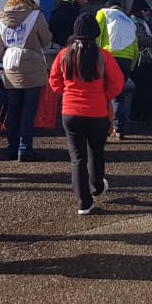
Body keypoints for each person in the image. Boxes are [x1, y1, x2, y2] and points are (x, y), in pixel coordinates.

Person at [48, 13, 124, 214]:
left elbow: (54, 81)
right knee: (96, 152)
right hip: (97, 112)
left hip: (70, 112)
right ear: (96, 34)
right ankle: (97, 186)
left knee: (77, 158)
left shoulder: (63, 54)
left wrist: (66, 93)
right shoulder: (104, 56)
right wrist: (104, 95)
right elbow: (118, 83)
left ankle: (83, 203)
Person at [0, 0, 52, 160]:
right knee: (29, 110)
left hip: (10, 66)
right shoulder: (35, 15)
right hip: (32, 65)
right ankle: (25, 148)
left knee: (13, 108)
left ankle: (11, 147)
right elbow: (47, 39)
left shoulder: (0, 18)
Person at [96, 0, 138, 140]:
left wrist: (94, 56)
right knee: (118, 95)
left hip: (108, 56)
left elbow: (97, 33)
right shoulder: (128, 20)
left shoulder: (104, 13)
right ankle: (118, 129)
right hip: (126, 59)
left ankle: (105, 128)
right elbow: (135, 46)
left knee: (102, 93)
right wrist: (130, 66)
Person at [128, 0, 152, 124]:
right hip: (139, 59)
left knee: (145, 88)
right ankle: (141, 115)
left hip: (147, 59)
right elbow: (141, 40)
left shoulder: (143, 22)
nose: (147, 13)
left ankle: (144, 114)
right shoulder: (134, 22)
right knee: (142, 88)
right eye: (144, 10)